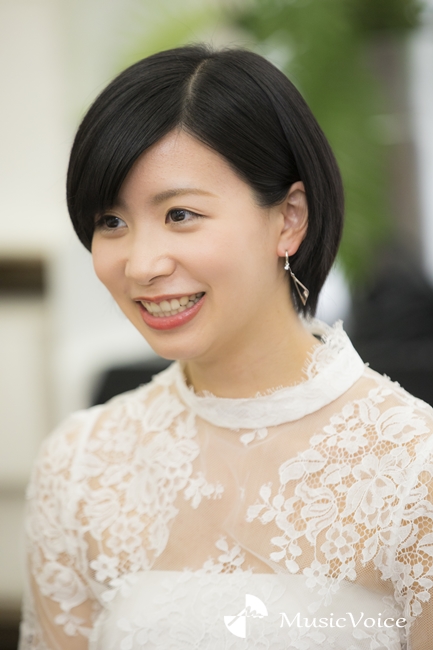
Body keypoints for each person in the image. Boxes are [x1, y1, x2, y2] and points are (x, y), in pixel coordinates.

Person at [19, 44, 433, 650]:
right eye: (112, 222)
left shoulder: (414, 470)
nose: (142, 264)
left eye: (180, 214)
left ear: (289, 218)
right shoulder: (80, 467)